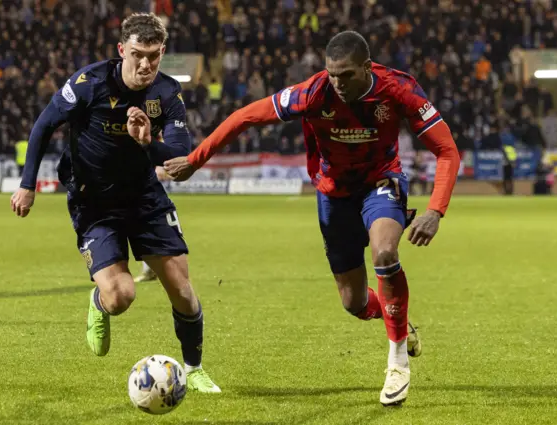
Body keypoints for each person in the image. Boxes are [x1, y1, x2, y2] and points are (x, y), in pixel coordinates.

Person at [164, 31, 460, 405]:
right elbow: (243, 117)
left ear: (367, 68)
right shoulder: (312, 93)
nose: (337, 83)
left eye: (346, 75)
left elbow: (446, 150)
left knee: (385, 253)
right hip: (332, 193)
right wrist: (195, 160)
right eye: (332, 74)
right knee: (353, 302)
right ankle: (396, 317)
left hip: (380, 182)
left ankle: (398, 360)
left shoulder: (398, 88)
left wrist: (435, 210)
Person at [10, 13, 220, 393]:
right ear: (122, 49)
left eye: (154, 56)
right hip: (95, 203)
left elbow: (178, 156)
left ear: (162, 53)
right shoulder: (88, 84)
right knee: (122, 295)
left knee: (182, 289)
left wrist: (146, 143)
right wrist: (28, 186)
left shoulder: (168, 94)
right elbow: (43, 125)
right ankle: (99, 301)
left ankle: (193, 368)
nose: (145, 64)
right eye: (138, 54)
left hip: (144, 198)